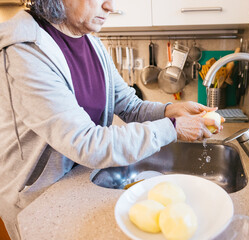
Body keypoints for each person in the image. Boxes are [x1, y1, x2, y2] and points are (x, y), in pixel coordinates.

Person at [0, 0, 224, 239]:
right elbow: (86, 142)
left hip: (80, 181)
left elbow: (130, 105)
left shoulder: (92, 44)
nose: (111, 6)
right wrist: (172, 127)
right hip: (37, 199)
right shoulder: (25, 51)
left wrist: (171, 110)